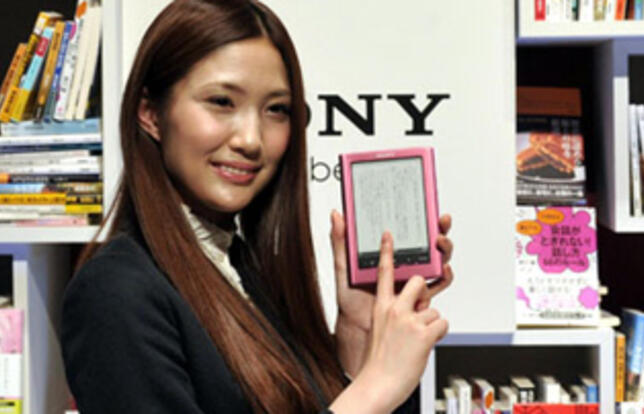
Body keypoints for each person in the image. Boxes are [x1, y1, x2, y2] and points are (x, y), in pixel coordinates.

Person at [61, 1, 455, 413]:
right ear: (150, 113)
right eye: (221, 102)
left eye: (276, 110)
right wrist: (376, 388)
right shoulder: (113, 291)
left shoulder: (245, 269)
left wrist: (360, 335)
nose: (251, 139)